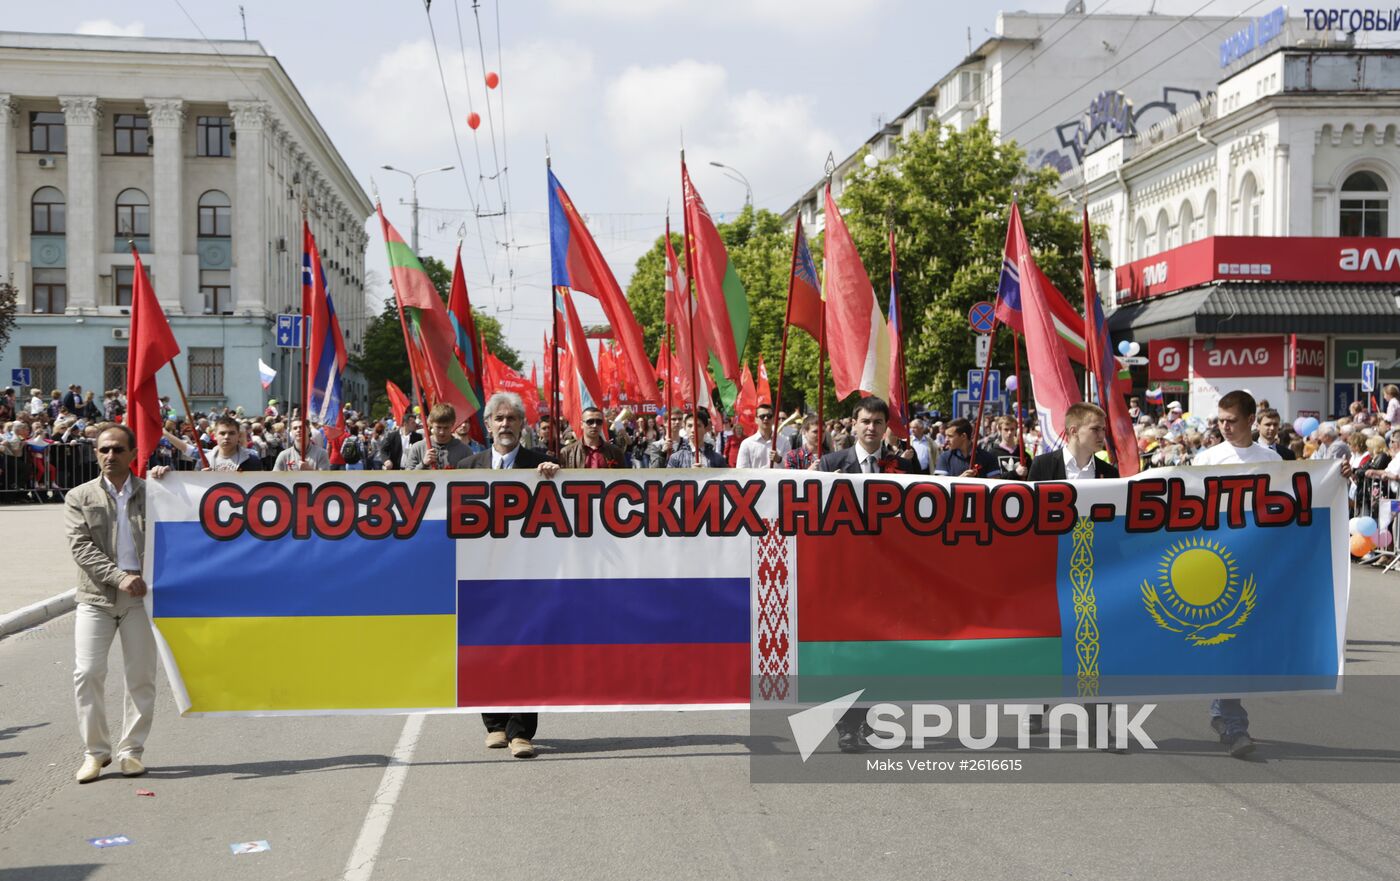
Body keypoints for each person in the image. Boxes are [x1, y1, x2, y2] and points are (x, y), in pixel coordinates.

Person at [815, 397, 919, 753]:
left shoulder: (902, 467)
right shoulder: (831, 464)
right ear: (853, 424)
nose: (871, 427)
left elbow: (925, 509)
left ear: (885, 426)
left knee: (879, 656)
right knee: (846, 656)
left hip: (887, 579)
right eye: (865, 421)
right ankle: (847, 726)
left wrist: (962, 487)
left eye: (878, 421)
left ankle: (867, 720)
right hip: (845, 578)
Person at [463, 392, 560, 759]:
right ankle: (495, 724)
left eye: (512, 419)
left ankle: (522, 731)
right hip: (480, 577)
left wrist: (554, 479)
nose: (505, 425)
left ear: (522, 425)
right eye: (498, 419)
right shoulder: (468, 468)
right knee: (486, 649)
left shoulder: (542, 466)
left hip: (526, 577)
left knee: (526, 649)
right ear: (487, 425)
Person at [65, 424, 158, 783]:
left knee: (140, 676)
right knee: (87, 673)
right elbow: (80, 547)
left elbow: (187, 514)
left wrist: (169, 481)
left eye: (118, 449)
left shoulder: (153, 494)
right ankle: (96, 752)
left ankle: (131, 751)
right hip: (96, 596)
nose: (110, 456)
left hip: (141, 597)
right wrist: (120, 577)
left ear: (133, 454)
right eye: (104, 449)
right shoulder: (79, 496)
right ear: (95, 453)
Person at [405, 404, 475, 470]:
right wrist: (423, 464)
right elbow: (407, 477)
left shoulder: (465, 451)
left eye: (446, 428)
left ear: (453, 424)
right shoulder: (418, 448)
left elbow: (472, 477)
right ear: (431, 424)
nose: (442, 432)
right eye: (438, 427)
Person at [558, 406, 626, 469]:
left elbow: (624, 477)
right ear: (582, 425)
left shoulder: (615, 452)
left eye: (598, 422)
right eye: (590, 422)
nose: (594, 425)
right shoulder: (567, 452)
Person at [934, 418, 1003, 477]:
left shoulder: (988, 458)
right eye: (946, 436)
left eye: (950, 436)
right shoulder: (944, 458)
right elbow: (940, 487)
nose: (946, 440)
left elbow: (995, 486)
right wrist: (960, 480)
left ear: (963, 436)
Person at [736, 403, 781, 469]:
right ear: (756, 420)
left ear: (773, 419)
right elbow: (741, 471)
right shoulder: (747, 444)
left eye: (769, 416)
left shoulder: (784, 442)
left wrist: (779, 460)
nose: (766, 418)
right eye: (762, 416)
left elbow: (790, 468)